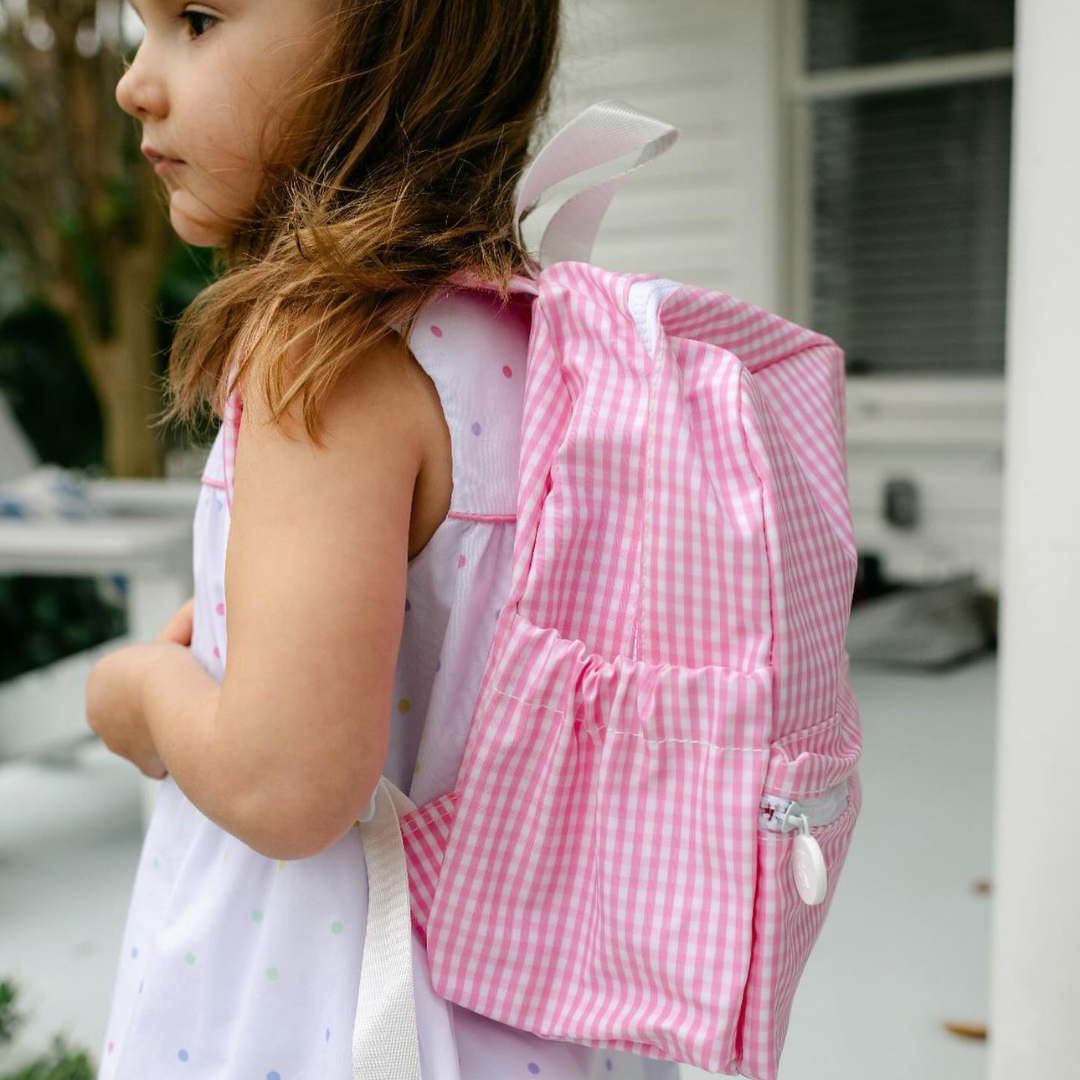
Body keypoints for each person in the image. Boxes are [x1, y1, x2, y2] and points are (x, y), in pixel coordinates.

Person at [86, 0, 671, 1077]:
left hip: (347, 1013)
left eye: (198, 20)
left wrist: (140, 696)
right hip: (536, 1006)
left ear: (401, 46)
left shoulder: (328, 356)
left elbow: (284, 784)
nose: (134, 79)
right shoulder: (532, 331)